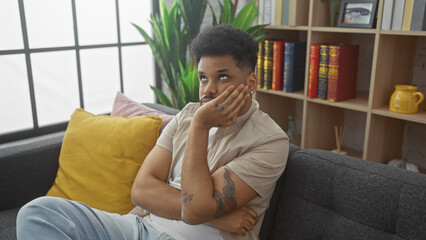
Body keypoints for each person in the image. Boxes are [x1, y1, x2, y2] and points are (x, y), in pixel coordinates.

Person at [16, 24, 289, 240]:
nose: (209, 89)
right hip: (138, 227)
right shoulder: (189, 115)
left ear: (250, 82)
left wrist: (200, 127)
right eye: (203, 77)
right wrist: (214, 215)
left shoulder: (269, 141)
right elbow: (141, 189)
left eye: (223, 77)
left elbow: (195, 209)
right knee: (37, 212)